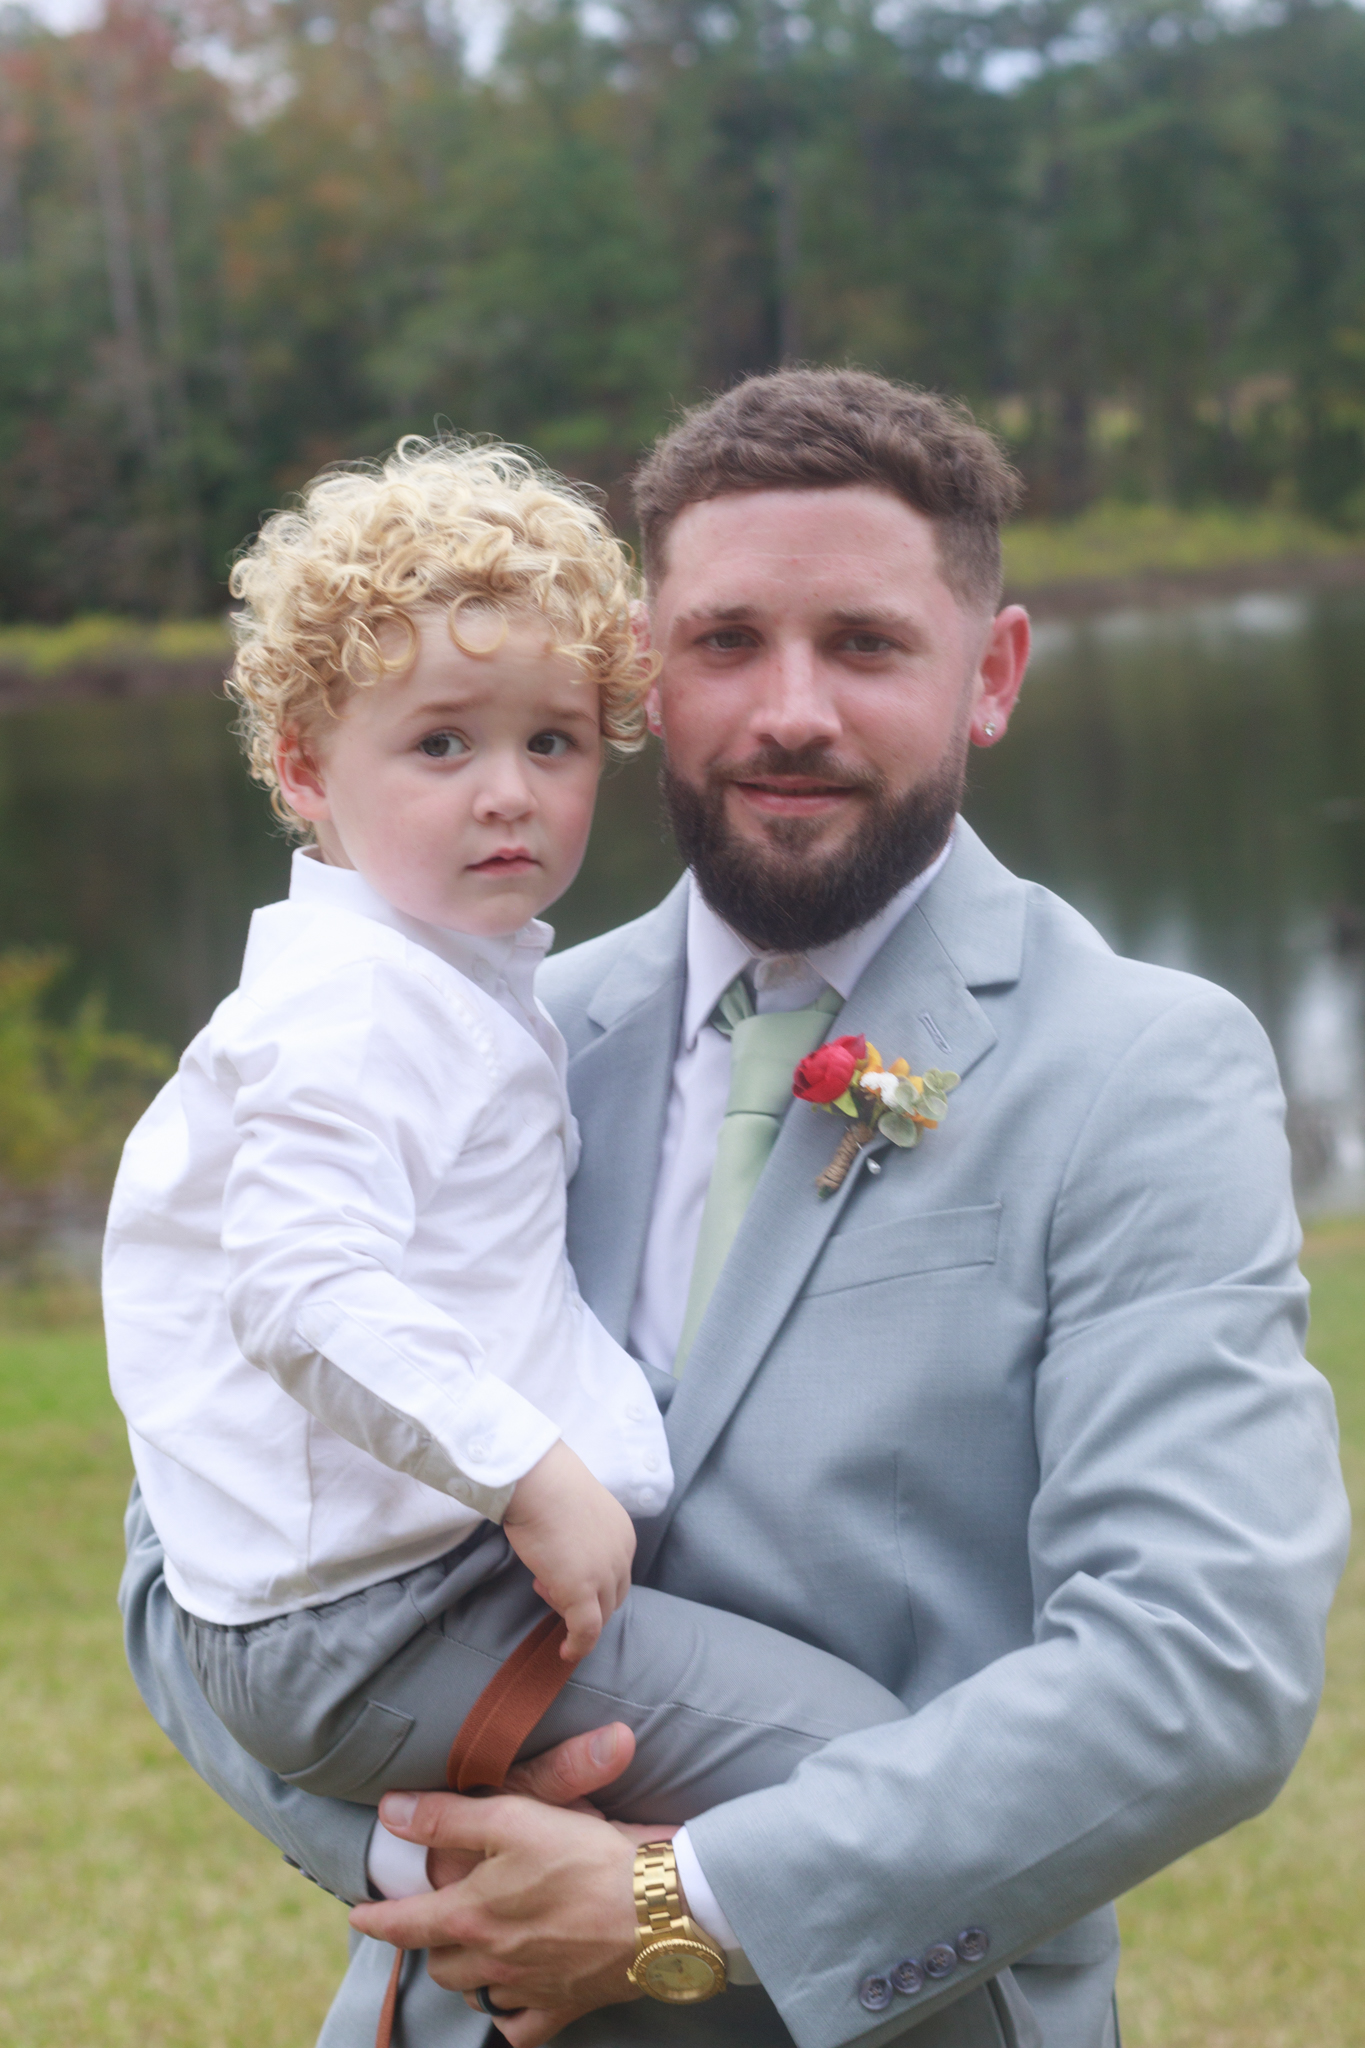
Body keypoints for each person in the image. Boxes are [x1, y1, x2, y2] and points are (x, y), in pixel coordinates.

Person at [120, 371, 1350, 2048]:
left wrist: (663, 1907)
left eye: (864, 644)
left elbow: (1197, 1668)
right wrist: (448, 1884)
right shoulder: (489, 1023)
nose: (789, 711)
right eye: (723, 643)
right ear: (645, 669)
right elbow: (190, 1548)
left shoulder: (1141, 1069)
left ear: (990, 673)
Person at [104, 436, 918, 1836]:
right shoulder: (357, 1008)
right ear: (303, 768)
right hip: (379, 1617)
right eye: (441, 743)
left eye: (551, 741)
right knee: (871, 1774)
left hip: (384, 1598)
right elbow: (296, 1287)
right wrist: (532, 1475)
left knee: (793, 1801)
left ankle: (642, 1914)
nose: (508, 793)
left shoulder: (442, 986)